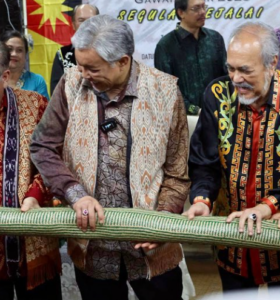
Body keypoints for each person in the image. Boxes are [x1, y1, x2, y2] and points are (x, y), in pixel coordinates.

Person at [30, 14, 191, 300]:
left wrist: (163, 222)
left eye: (92, 68)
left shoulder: (164, 91)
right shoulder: (71, 86)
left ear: (123, 61)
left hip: (151, 248)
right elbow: (42, 146)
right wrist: (76, 194)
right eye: (80, 66)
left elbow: (177, 171)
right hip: (94, 249)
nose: (84, 75)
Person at [184, 22, 280, 292]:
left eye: (245, 70)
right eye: (231, 68)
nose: (236, 79)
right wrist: (202, 198)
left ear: (271, 64)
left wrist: (267, 206)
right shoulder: (218, 94)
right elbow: (204, 161)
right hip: (231, 238)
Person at [0, 42, 61, 300]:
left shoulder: (35, 105)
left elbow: (54, 158)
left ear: (4, 76)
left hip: (32, 239)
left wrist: (35, 193)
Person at [154, 0, 227, 115]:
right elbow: (166, 92)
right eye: (196, 8)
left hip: (218, 115)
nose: (203, 12)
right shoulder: (166, 46)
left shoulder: (215, 39)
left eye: (204, 7)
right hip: (185, 120)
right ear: (181, 13)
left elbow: (226, 78)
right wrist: (195, 110)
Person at [50, 4, 99, 95]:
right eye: (81, 20)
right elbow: (56, 94)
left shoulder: (109, 52)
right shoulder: (62, 55)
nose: (86, 25)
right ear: (73, 25)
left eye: (91, 20)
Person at [0, 30, 49, 100]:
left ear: (25, 54)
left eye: (19, 50)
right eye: (10, 49)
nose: (14, 54)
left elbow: (46, 109)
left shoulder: (37, 81)